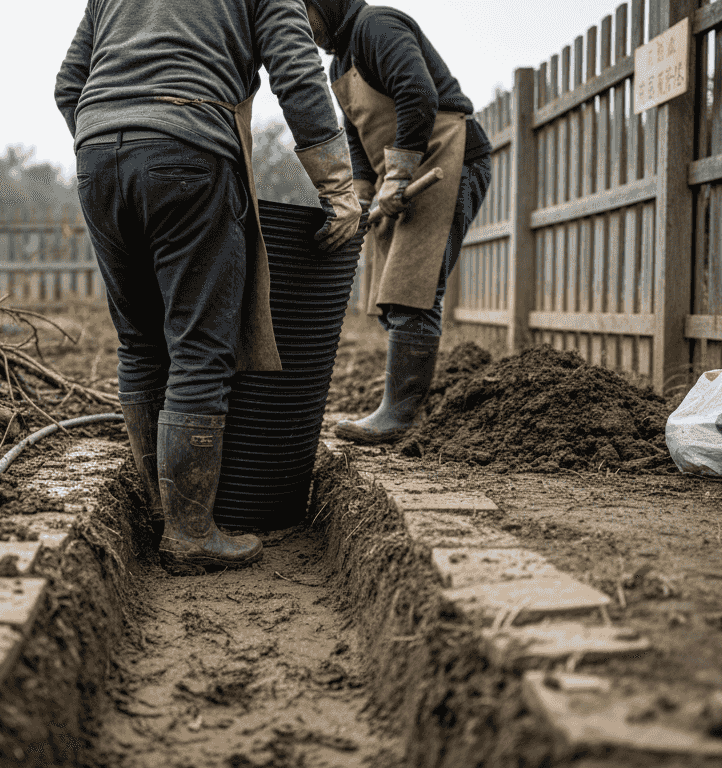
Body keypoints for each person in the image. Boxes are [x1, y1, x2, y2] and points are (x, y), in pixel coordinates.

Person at [55, 0, 361, 575]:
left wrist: (118, 140)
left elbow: (69, 84)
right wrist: (338, 187)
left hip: (96, 158)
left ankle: (157, 510)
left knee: (140, 341)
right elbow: (296, 68)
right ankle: (191, 532)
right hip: (189, 149)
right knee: (199, 346)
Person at [303, 0, 493, 444]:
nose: (301, 27)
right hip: (400, 172)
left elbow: (418, 93)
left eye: (303, 13)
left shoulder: (377, 26)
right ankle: (401, 404)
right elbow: (357, 135)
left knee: (413, 289)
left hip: (443, 161)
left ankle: (400, 415)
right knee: (390, 292)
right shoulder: (340, 64)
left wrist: (401, 173)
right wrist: (363, 194)